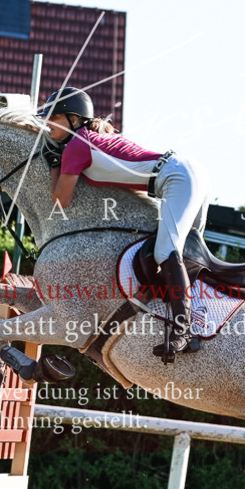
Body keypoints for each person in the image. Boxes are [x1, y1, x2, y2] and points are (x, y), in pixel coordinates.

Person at [37, 87, 211, 359]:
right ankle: (202, 315)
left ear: (73, 119)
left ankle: (183, 331)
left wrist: (53, 166)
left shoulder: (75, 146)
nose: (47, 124)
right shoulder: (90, 137)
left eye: (53, 118)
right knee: (186, 253)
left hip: (176, 178)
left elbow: (60, 200)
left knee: (166, 252)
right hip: (187, 170)